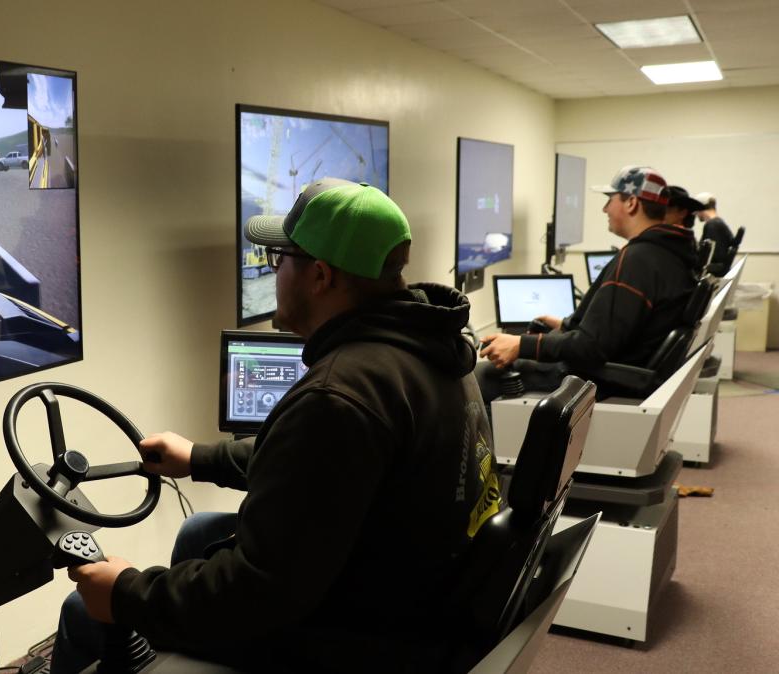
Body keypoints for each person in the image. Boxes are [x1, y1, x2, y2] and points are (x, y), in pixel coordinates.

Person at [53, 178, 501, 672]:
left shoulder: (339, 396)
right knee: (201, 531)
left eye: (279, 260)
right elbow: (325, 469)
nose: (275, 272)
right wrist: (201, 457)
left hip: (354, 636)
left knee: (83, 611)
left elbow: (258, 591)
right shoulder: (431, 349)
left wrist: (128, 592)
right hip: (409, 597)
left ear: (320, 276)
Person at [476, 166, 699, 403]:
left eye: (609, 200)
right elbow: (618, 326)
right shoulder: (671, 255)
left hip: (596, 381)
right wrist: (566, 324)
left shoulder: (637, 260)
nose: (605, 209)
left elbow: (590, 348)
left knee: (482, 377)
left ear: (631, 203)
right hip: (625, 372)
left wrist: (522, 344)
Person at [693, 192, 735, 275]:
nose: (696, 214)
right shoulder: (718, 223)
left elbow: (709, 256)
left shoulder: (712, 225)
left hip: (711, 272)